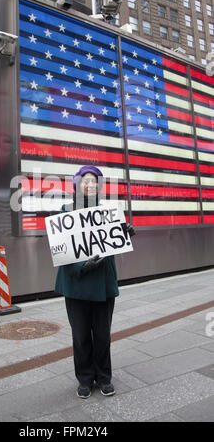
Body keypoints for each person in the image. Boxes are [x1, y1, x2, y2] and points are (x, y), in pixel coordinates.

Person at [55, 165, 135, 399]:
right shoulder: (65, 210)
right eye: (85, 181)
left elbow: (114, 241)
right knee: (80, 335)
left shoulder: (108, 212)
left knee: (102, 334)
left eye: (94, 181)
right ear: (77, 185)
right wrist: (81, 267)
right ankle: (85, 379)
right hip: (76, 283)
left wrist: (124, 233)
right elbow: (62, 250)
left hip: (103, 284)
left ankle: (104, 377)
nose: (90, 185)